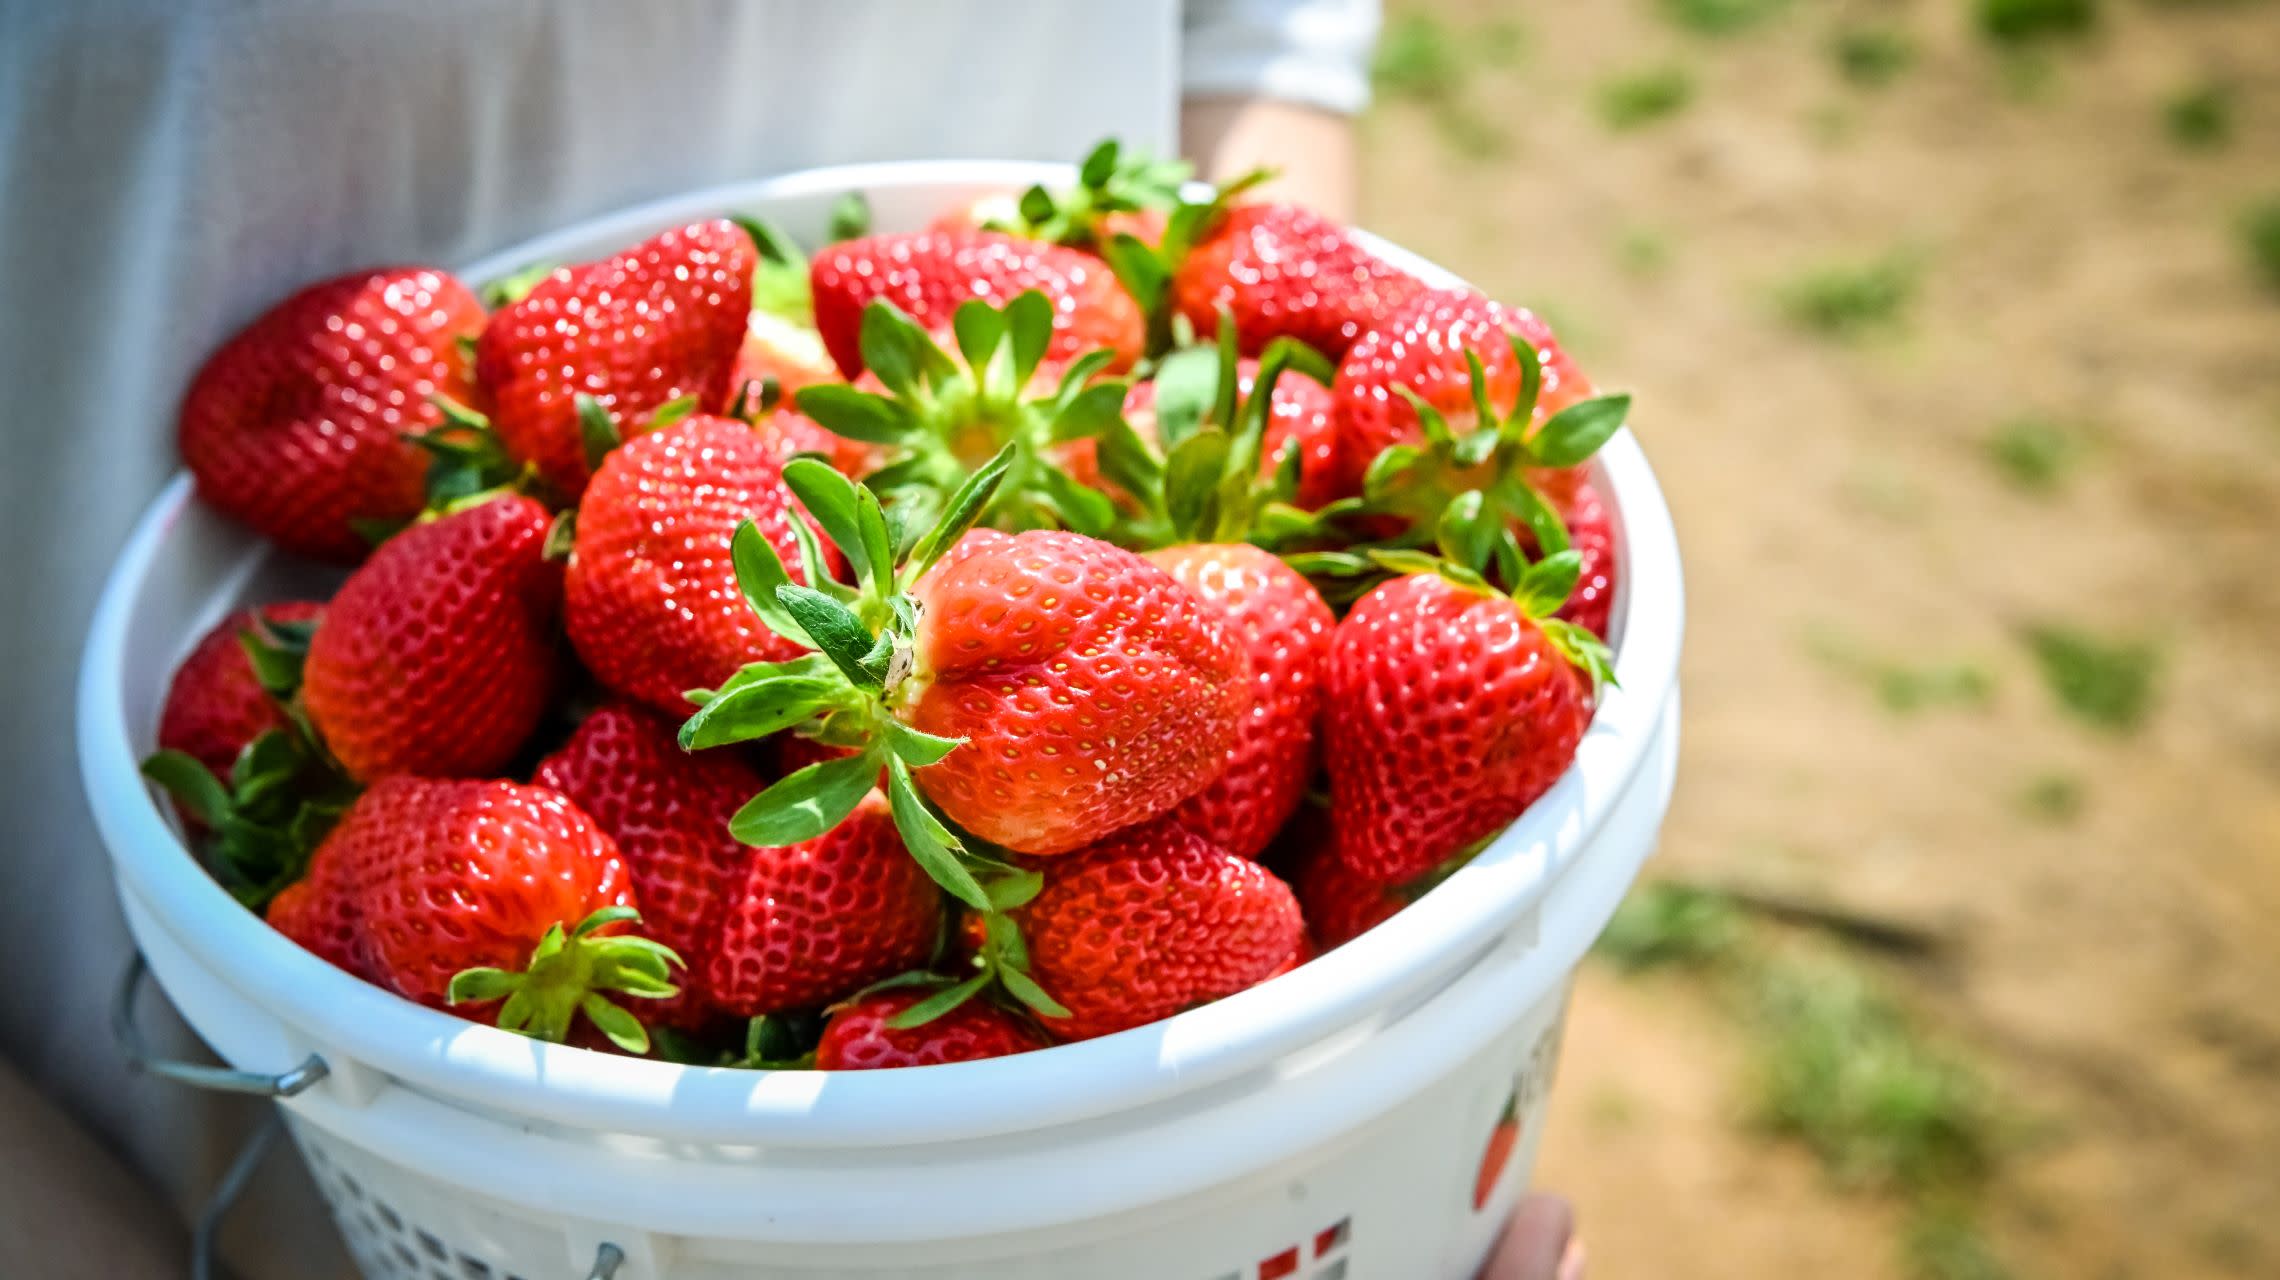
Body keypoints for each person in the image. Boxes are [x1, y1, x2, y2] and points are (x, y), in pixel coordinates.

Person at [0, 2, 1582, 1276]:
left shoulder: (988, 688)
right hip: (227, 1161)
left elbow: (1248, 47)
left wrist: (1260, 389)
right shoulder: (563, 594)